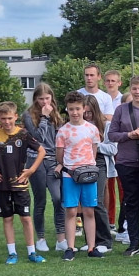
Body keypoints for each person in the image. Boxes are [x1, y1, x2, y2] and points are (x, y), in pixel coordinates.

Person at [0, 102, 46, 264]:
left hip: (20, 185)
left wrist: (31, 170)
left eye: (9, 118)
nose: (7, 122)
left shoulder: (23, 134)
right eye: (3, 118)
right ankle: (12, 253)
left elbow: (41, 151)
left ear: (15, 117)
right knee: (7, 219)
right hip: (3, 185)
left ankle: (32, 252)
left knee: (26, 219)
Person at [108, 75, 139, 257]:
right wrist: (129, 135)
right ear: (130, 89)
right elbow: (112, 135)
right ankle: (134, 242)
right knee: (131, 202)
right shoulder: (121, 110)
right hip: (126, 162)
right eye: (134, 88)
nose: (137, 92)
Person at [55, 92, 103, 261]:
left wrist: (88, 165)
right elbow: (59, 154)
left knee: (89, 210)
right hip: (70, 176)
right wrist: (68, 167)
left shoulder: (92, 129)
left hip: (89, 174)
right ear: (66, 110)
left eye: (77, 109)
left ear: (84, 109)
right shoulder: (63, 131)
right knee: (71, 211)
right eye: (71, 109)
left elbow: (94, 150)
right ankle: (70, 247)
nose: (75, 112)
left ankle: (91, 247)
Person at [23, 83, 66, 252]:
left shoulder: (56, 114)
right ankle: (40, 237)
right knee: (40, 201)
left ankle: (61, 238)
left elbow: (60, 139)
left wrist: (60, 162)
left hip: (53, 162)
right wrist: (44, 117)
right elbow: (37, 137)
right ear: (35, 99)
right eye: (40, 99)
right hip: (36, 160)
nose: (44, 102)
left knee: (58, 199)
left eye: (47, 98)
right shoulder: (28, 115)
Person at [81, 95, 114, 255]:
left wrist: (95, 145)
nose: (87, 116)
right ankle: (91, 241)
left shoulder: (106, 125)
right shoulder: (80, 125)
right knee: (86, 202)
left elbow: (113, 148)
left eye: (89, 112)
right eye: (84, 113)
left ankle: (105, 240)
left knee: (97, 201)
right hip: (83, 164)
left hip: (99, 163)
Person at [102, 70, 125, 234]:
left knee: (123, 186)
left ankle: (124, 221)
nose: (110, 83)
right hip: (107, 143)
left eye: (113, 81)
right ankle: (109, 221)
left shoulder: (123, 100)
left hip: (122, 145)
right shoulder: (102, 98)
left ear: (119, 82)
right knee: (107, 188)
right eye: (108, 80)